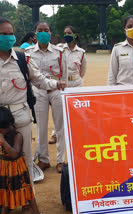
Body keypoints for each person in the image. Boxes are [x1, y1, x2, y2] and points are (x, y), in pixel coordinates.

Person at [0, 17, 65, 182]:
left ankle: (30, 201)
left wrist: (57, 83)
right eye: (3, 34)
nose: (8, 37)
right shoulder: (29, 53)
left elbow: (40, 79)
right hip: (2, 117)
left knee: (27, 159)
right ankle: (6, 200)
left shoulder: (23, 59)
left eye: (11, 34)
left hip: (21, 114)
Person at [25, 21, 67, 173]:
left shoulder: (59, 52)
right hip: (38, 91)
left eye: (46, 30)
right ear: (35, 33)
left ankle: (61, 160)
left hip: (56, 90)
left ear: (50, 33)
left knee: (60, 126)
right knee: (41, 126)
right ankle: (44, 159)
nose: (43, 32)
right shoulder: (28, 53)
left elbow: (65, 74)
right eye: (40, 30)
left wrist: (62, 87)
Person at [0, 107, 40, 214]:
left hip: (17, 169)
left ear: (8, 126)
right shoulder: (3, 133)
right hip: (5, 170)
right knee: (5, 193)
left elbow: (14, 154)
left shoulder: (17, 135)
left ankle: (36, 212)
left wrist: (3, 142)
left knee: (27, 191)